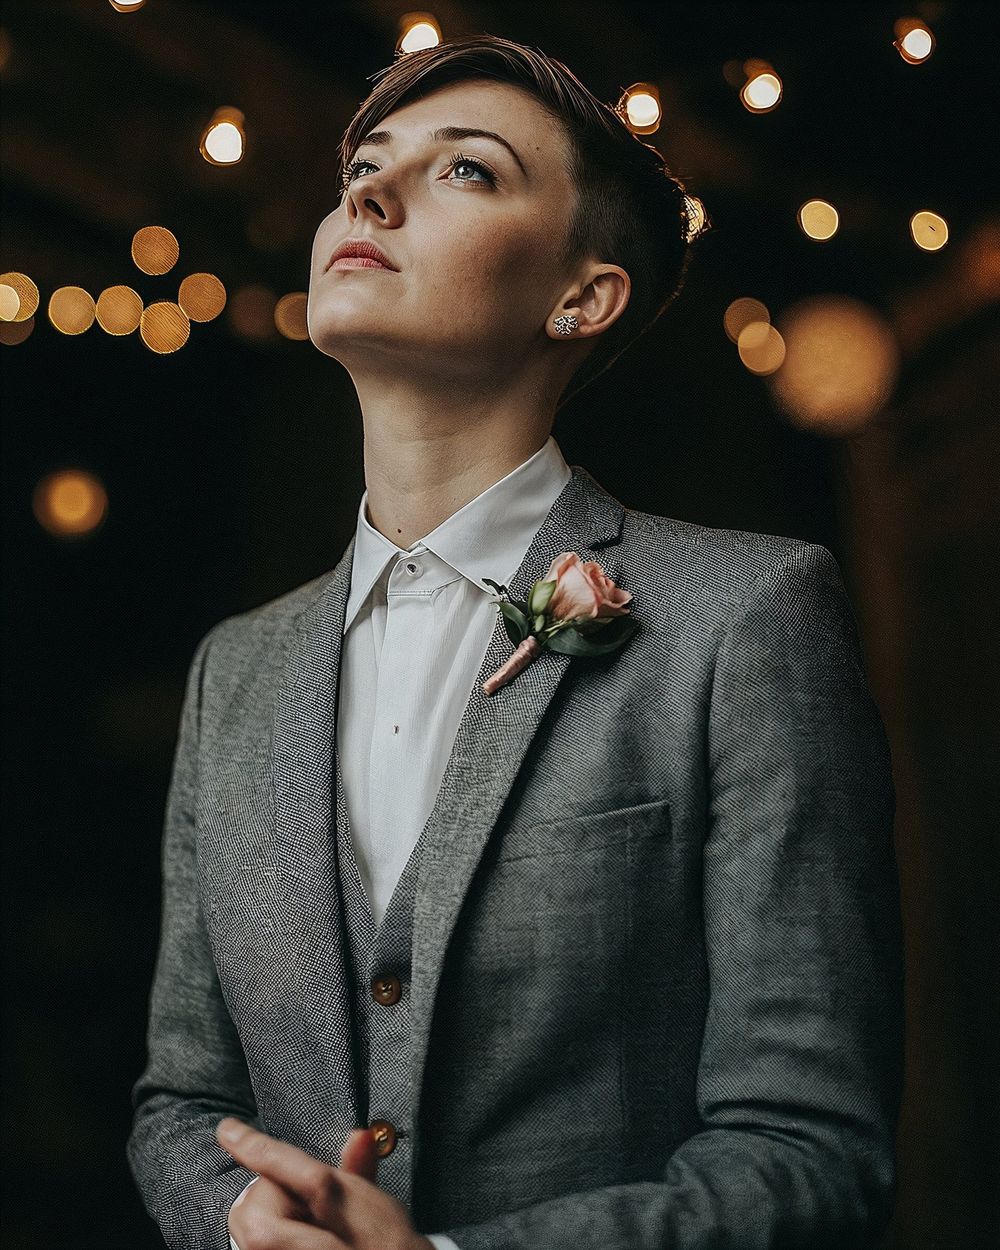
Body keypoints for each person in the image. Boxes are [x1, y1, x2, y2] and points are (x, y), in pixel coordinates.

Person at [126, 32, 904, 1250]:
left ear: (580, 295)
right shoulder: (237, 668)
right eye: (364, 166)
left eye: (466, 171)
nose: (366, 191)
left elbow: (810, 1152)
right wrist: (235, 1219)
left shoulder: (746, 617)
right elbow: (181, 1097)